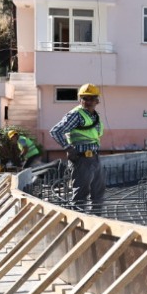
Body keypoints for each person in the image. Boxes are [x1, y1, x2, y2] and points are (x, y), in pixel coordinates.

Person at [49, 83, 106, 212]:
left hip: (95, 157)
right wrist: (68, 148)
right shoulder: (76, 115)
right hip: (82, 159)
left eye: (91, 98)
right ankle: (79, 226)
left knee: (98, 192)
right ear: (80, 99)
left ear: (97, 100)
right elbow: (55, 131)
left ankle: (96, 221)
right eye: (84, 98)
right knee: (81, 194)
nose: (88, 101)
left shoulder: (94, 116)